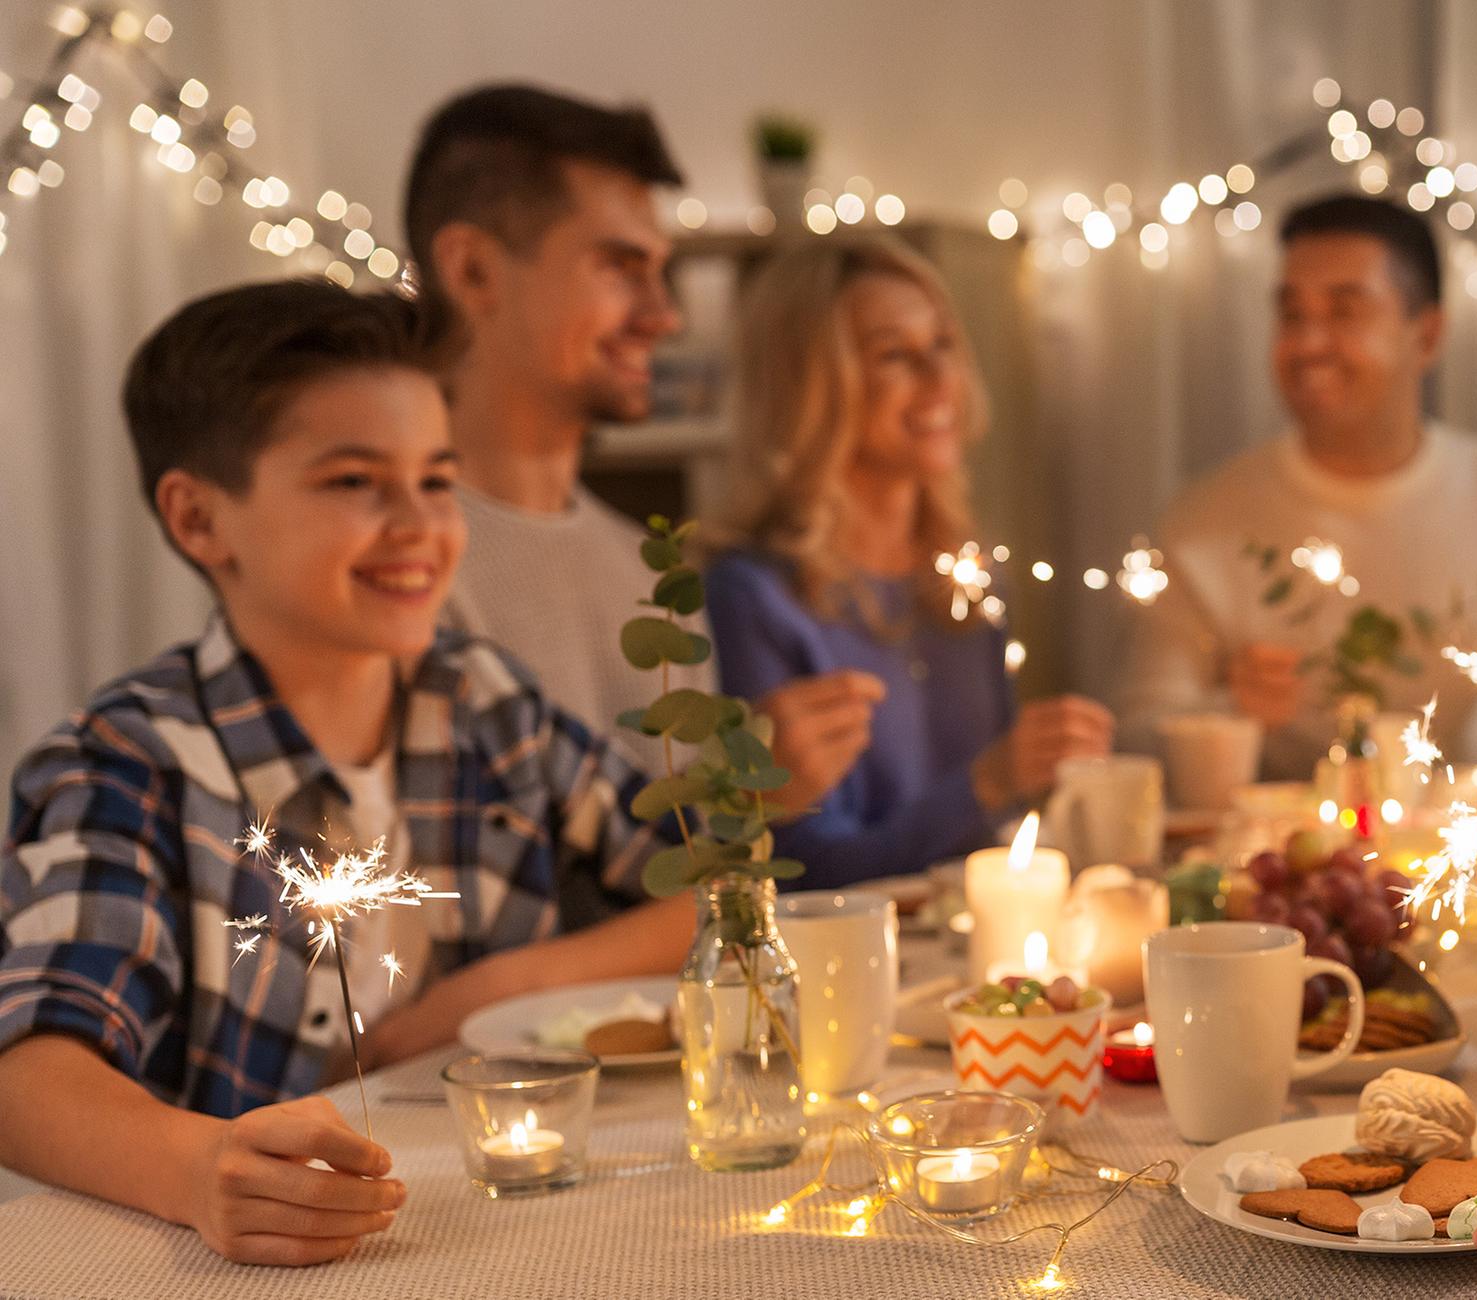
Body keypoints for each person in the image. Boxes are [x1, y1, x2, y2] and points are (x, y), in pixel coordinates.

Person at [0, 281, 694, 1265]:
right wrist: (199, 1169)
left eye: (437, 479)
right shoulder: (133, 764)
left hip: (498, 1234)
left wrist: (486, 994)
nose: (417, 524)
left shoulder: (482, 702)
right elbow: (28, 1076)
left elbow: (706, 891)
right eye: (355, 482)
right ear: (200, 520)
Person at [403, 84, 877, 831]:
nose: (665, 315)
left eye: (660, 270)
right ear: (472, 272)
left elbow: (674, 881)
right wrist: (742, 795)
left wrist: (740, 797)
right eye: (621, 267)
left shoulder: (648, 569)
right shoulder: (396, 568)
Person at [1120, 194, 1477, 779]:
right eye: (1291, 315)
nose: (1309, 343)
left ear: (1427, 335)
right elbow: (1137, 743)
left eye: (1345, 312)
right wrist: (1228, 714)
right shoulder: (1206, 521)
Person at [703, 244, 1111, 883]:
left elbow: (994, 838)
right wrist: (990, 779)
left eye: (943, 343)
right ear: (809, 384)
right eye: (894, 354)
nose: (938, 377)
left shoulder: (967, 579)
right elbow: (803, 875)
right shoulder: (754, 596)